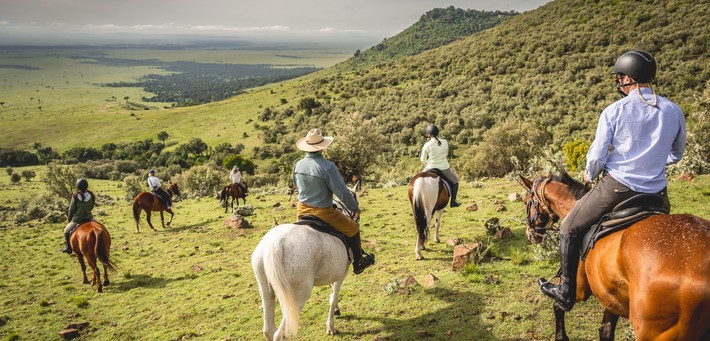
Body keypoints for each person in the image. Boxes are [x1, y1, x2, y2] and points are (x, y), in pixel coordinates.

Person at [538, 50, 686, 311]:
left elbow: (596, 156)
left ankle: (565, 291)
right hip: (657, 194)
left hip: (617, 187)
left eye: (619, 78)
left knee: (569, 227)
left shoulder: (615, 110)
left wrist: (590, 174)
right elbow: (676, 154)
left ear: (629, 78)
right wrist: (653, 160)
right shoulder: (673, 110)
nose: (618, 82)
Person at [293, 128, 375, 274]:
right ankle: (358, 263)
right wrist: (354, 207)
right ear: (322, 147)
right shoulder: (328, 167)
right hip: (324, 213)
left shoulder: (297, 165)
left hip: (301, 210)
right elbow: (342, 193)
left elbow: (297, 187)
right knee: (353, 229)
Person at [419, 124, 461, 207]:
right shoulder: (445, 142)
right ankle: (453, 202)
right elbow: (446, 154)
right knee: (455, 181)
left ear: (428, 135)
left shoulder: (426, 145)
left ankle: (419, 202)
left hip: (430, 167)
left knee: (419, 181)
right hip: (444, 167)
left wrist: (429, 163)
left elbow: (422, 159)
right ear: (438, 133)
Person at [61, 179, 98, 254]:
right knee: (100, 226)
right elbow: (91, 207)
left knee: (66, 230)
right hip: (89, 217)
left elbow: (71, 209)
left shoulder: (75, 196)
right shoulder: (91, 195)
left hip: (77, 219)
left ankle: (69, 248)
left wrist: (69, 220)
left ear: (78, 187)